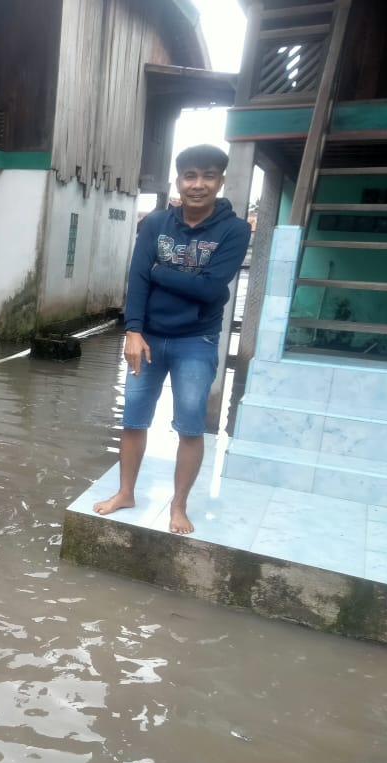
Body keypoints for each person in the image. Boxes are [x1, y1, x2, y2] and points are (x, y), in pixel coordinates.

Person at [94, 144, 251, 534]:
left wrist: (158, 272)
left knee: (190, 426)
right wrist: (132, 330)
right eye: (190, 176)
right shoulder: (155, 223)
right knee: (133, 419)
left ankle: (178, 506)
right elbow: (137, 279)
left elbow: (212, 289)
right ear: (178, 180)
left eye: (208, 176)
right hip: (146, 337)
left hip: (196, 340)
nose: (198, 184)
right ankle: (125, 493)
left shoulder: (234, 230)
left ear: (220, 181)